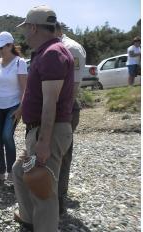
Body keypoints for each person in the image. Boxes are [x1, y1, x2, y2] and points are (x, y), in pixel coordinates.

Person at [11, 6, 74, 232]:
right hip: (37, 129)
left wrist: (44, 142)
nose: (25, 33)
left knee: (43, 186)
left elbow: (50, 104)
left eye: (26, 28)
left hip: (48, 131)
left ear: (34, 27)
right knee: (19, 170)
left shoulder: (52, 54)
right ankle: (28, 218)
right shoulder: (45, 53)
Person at [0, 32, 27, 187]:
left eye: (2, 47)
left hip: (13, 106)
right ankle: (0, 172)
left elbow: (25, 89)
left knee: (6, 136)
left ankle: (11, 172)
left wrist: (21, 108)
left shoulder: (20, 62)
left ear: (10, 45)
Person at [54, 23, 86, 215]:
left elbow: (73, 86)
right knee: (53, 154)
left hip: (65, 108)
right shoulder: (57, 46)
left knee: (62, 155)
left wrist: (63, 114)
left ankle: (58, 201)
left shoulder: (70, 48)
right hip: (57, 107)